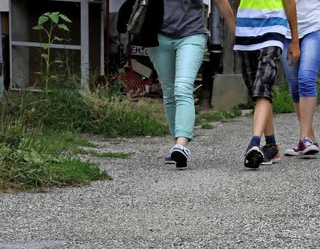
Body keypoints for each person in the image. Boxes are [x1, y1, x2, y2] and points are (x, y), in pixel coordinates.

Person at [119, 0, 236, 169]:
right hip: (158, 35)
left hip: (191, 34)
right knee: (169, 91)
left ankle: (181, 144)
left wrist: (234, 26)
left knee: (182, 87)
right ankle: (177, 146)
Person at [234, 0, 300, 169]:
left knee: (262, 86)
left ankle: (254, 143)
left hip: (273, 28)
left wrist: (294, 40)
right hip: (245, 29)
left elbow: (289, 2)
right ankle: (271, 146)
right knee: (258, 93)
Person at [280, 0, 320, 157]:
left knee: (306, 79)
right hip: (285, 33)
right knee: (294, 85)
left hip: (315, 28)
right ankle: (309, 139)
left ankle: (304, 138)